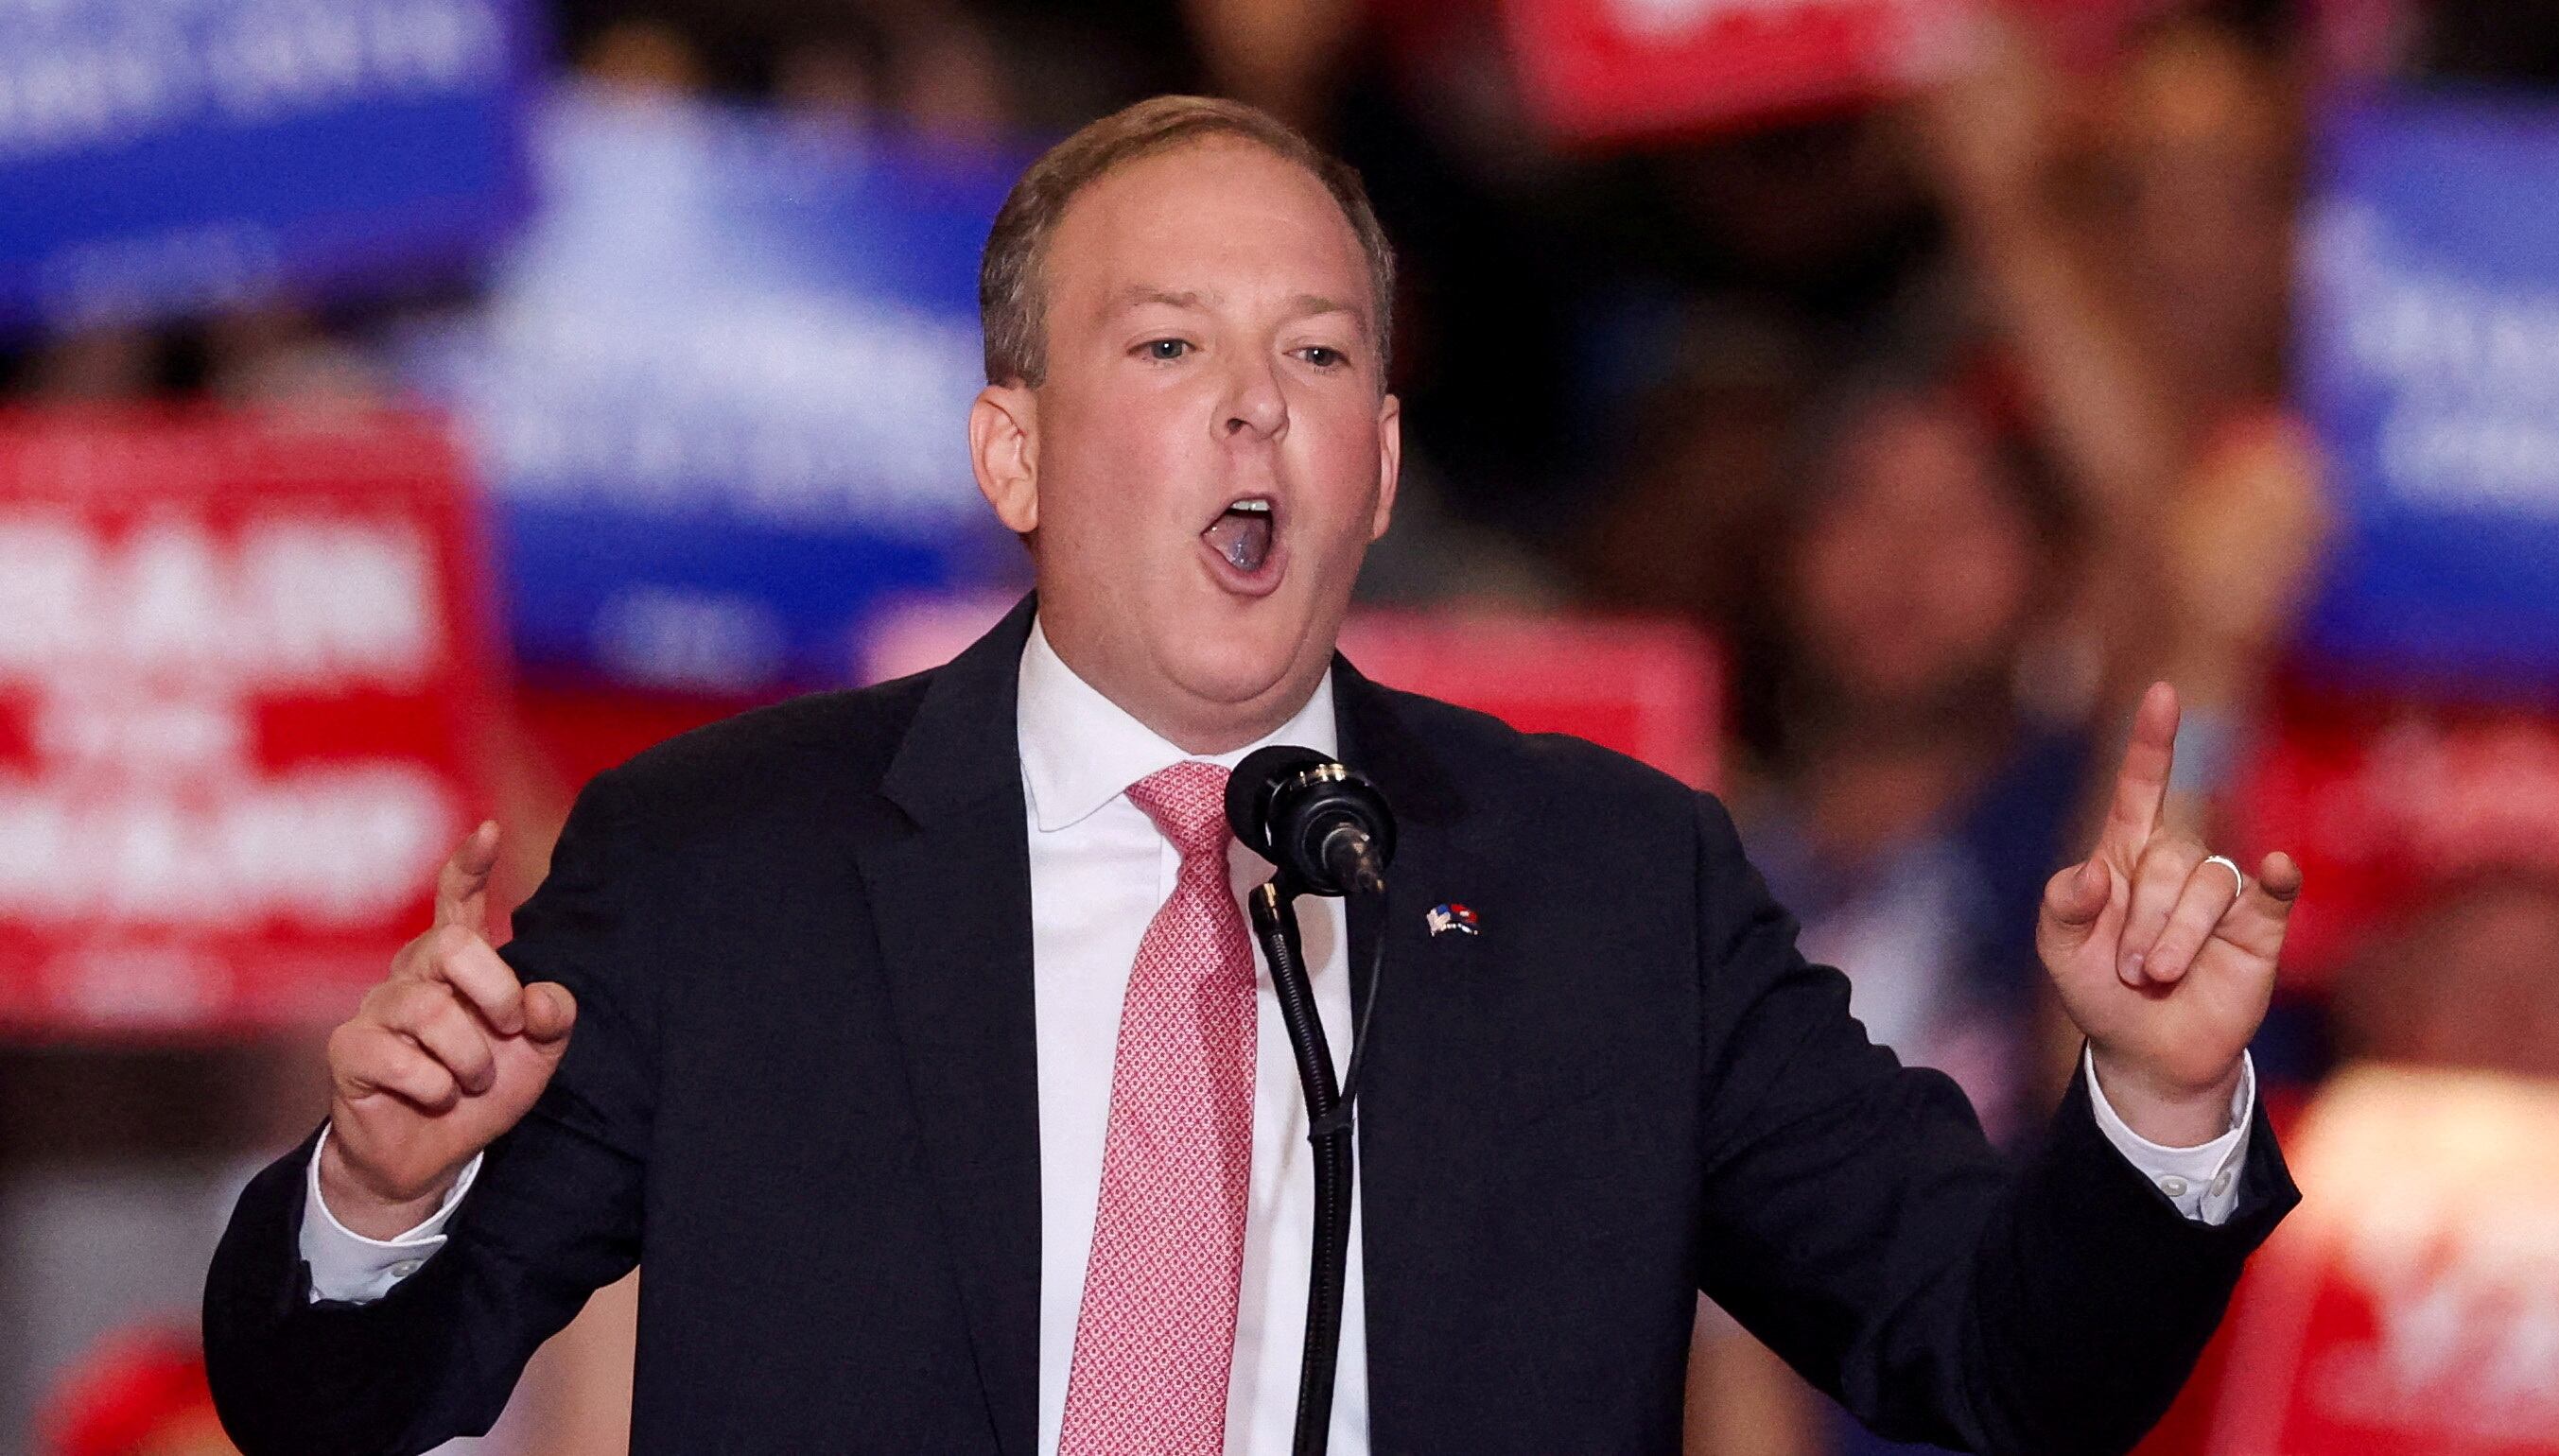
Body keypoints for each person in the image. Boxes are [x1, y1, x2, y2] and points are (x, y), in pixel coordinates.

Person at [204, 95, 2303, 1456]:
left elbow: (1997, 1355)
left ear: (1378, 467)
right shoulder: (719, 856)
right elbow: (338, 1396)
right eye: (1167, 348)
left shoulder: (1609, 885)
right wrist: (381, 1193)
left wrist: (2156, 1101)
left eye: (1314, 358)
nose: (1253, 415)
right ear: (1009, 448)